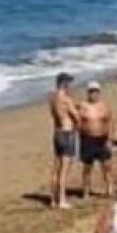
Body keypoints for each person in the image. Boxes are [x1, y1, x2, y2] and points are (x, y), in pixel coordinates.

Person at [76, 82, 114, 199]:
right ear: (88, 93)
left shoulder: (104, 106)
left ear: (99, 92)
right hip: (88, 139)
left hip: (102, 138)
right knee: (87, 167)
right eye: (92, 92)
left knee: (106, 166)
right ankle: (86, 191)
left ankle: (109, 189)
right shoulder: (83, 106)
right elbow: (77, 122)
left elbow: (110, 122)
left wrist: (110, 139)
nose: (94, 94)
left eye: (96, 92)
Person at [49, 73, 80, 210]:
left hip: (57, 132)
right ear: (64, 83)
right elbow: (76, 116)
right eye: (68, 83)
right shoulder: (66, 99)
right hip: (67, 132)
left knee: (56, 167)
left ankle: (53, 199)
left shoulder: (52, 98)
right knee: (64, 169)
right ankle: (61, 200)